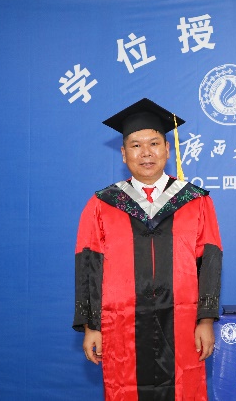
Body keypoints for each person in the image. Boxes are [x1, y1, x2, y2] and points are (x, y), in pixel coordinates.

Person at [73, 98, 223, 400]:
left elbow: (209, 261)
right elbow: (89, 266)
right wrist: (92, 326)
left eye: (154, 144)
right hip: (121, 326)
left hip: (182, 324)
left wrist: (205, 320)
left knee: (184, 389)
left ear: (167, 149)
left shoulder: (196, 201)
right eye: (136, 145)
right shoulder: (102, 204)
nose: (146, 153)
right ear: (123, 153)